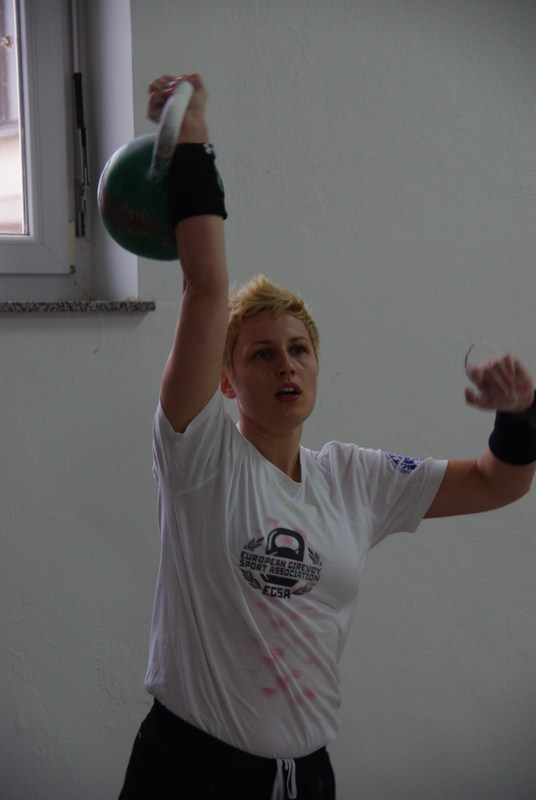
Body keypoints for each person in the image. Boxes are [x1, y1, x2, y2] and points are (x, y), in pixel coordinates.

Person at [117, 73, 536, 800]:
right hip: (190, 773)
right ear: (226, 382)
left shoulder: (355, 479)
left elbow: (498, 482)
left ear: (317, 366)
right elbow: (204, 287)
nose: (286, 365)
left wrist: (520, 414)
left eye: (299, 349)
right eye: (261, 354)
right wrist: (193, 138)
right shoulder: (198, 454)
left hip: (306, 778)